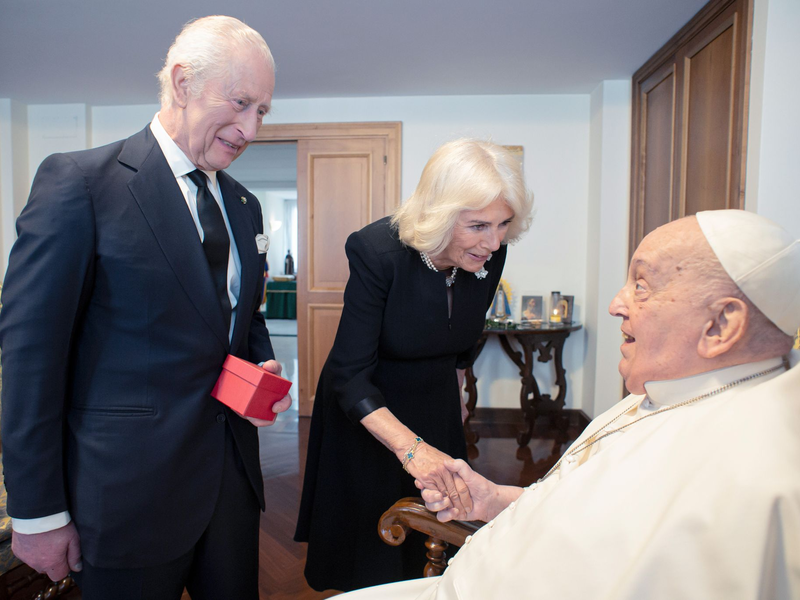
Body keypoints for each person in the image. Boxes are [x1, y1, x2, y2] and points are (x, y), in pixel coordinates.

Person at [336, 209, 800, 599]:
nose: (616, 304)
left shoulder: (751, 476)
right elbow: (586, 519)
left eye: (641, 285)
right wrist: (494, 499)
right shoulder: (666, 393)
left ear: (721, 325)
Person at [0, 16, 291, 600]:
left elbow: (241, 317)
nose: (251, 129)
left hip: (230, 488)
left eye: (262, 111)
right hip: (125, 497)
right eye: (240, 103)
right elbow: (31, 358)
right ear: (183, 84)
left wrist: (259, 370)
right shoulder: (81, 184)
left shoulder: (244, 204)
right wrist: (36, 513)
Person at [294, 139, 534, 591]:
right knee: (373, 543)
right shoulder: (376, 251)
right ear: (440, 214)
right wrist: (412, 450)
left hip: (435, 398)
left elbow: (463, 338)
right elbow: (348, 374)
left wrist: (457, 394)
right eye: (478, 226)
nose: (493, 242)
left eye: (503, 224)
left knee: (437, 526)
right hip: (371, 407)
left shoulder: (489, 253)